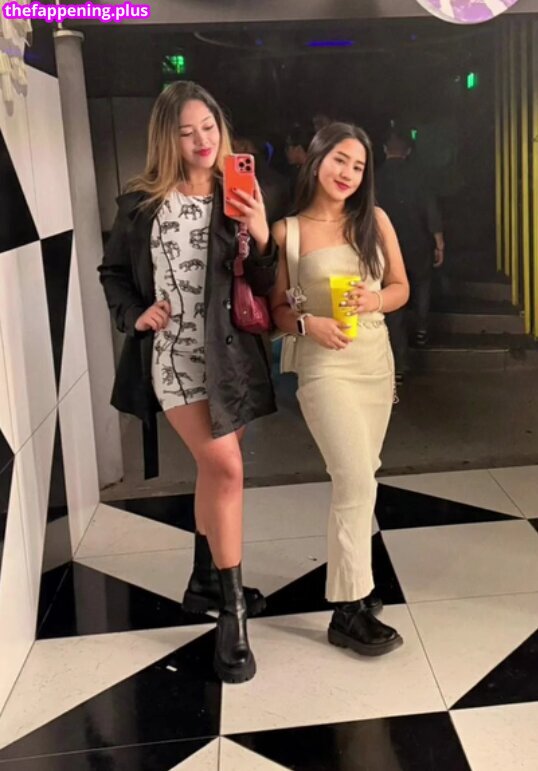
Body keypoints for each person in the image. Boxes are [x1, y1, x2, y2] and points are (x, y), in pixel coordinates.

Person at [98, 81, 278, 684]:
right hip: (174, 357)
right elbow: (113, 273)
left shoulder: (238, 195)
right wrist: (135, 314)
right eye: (186, 131)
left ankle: (204, 579)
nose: (202, 140)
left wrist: (261, 230)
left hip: (231, 359)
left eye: (209, 127)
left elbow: (264, 279)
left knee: (213, 471)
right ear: (167, 139)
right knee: (227, 469)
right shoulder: (140, 205)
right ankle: (232, 612)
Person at [271, 123, 409, 657]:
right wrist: (310, 325)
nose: (348, 173)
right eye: (340, 160)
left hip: (374, 358)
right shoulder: (288, 233)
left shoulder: (374, 220)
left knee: (363, 476)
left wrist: (375, 301)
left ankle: (355, 586)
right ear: (316, 160)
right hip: (323, 365)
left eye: (358, 166)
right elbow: (276, 312)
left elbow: (400, 287)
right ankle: (349, 609)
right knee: (352, 476)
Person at [376, 129, 444, 381]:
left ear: (385, 150)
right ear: (408, 151)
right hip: (418, 243)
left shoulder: (375, 178)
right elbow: (431, 208)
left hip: (384, 248)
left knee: (393, 303)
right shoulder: (420, 176)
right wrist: (439, 241)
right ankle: (422, 329)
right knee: (422, 284)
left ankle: (400, 362)